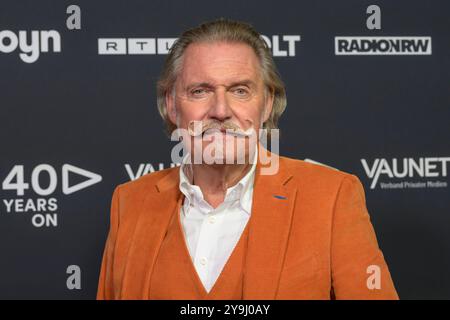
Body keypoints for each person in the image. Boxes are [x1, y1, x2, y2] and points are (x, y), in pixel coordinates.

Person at [97, 18, 398, 299]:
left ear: (266, 104)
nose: (220, 110)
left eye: (240, 91)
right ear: (173, 106)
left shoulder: (331, 197)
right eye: (200, 91)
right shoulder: (130, 203)